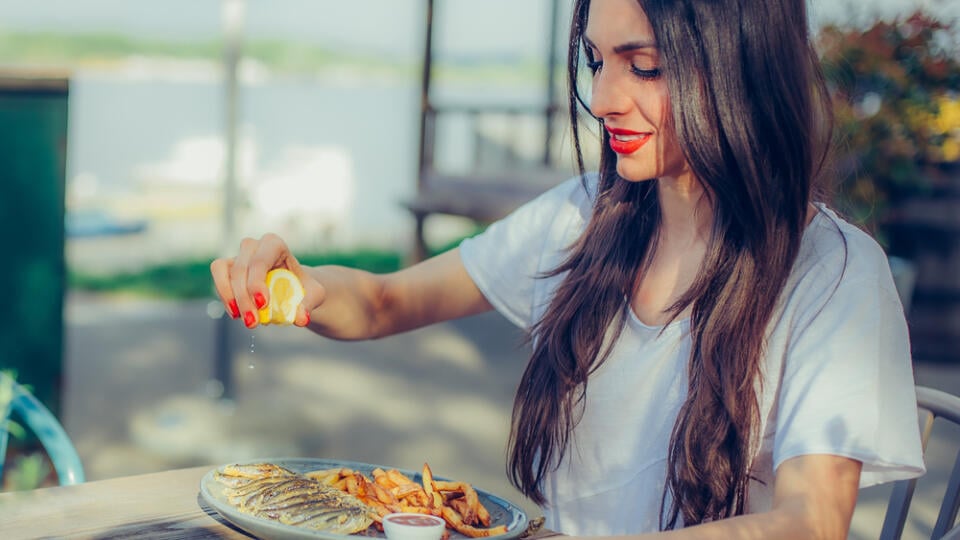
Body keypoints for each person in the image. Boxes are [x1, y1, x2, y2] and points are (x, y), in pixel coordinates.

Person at [210, 0, 926, 537]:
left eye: (645, 66)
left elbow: (810, 522)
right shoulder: (586, 216)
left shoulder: (832, 273)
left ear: (739, 63)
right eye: (596, 60)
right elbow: (388, 302)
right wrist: (304, 288)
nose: (606, 99)